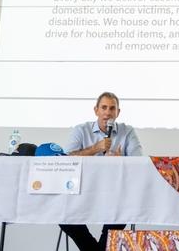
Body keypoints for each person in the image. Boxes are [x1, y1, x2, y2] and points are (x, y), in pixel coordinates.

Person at [59, 92, 143, 251]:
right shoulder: (81, 130)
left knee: (124, 212)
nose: (108, 112)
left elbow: (139, 163)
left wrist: (122, 161)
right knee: (64, 217)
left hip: (115, 194)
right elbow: (66, 158)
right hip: (83, 191)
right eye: (104, 107)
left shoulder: (128, 132)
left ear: (118, 112)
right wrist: (95, 148)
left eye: (112, 108)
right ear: (96, 110)